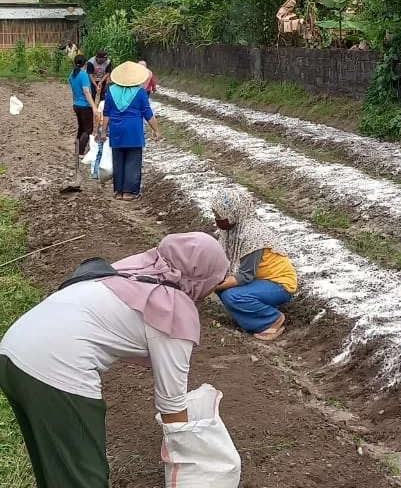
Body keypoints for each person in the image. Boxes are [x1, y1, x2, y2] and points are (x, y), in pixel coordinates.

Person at [0, 232, 230, 488]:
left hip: (12, 353)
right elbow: (171, 403)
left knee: (55, 466)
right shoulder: (172, 309)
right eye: (215, 282)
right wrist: (193, 459)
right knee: (84, 477)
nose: (212, 290)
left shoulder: (129, 273)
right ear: (202, 277)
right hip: (55, 370)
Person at [212, 188, 298, 341]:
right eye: (216, 214)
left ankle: (272, 319)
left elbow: (244, 277)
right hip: (260, 280)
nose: (217, 219)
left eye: (220, 215)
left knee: (232, 295)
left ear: (233, 211)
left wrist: (208, 286)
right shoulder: (233, 229)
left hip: (279, 283)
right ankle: (252, 314)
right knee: (220, 285)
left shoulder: (253, 236)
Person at [99, 61, 160, 201]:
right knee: (133, 161)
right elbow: (147, 113)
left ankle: (119, 191)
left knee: (118, 160)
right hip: (134, 131)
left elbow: (106, 113)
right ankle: (129, 192)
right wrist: (156, 130)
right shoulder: (140, 92)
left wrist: (103, 133)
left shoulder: (111, 91)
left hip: (116, 130)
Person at [68, 55, 97, 156]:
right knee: (88, 130)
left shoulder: (72, 74)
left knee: (81, 127)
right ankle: (80, 152)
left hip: (76, 105)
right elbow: (86, 91)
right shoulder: (83, 75)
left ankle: (77, 148)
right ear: (85, 64)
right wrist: (93, 106)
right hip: (85, 106)